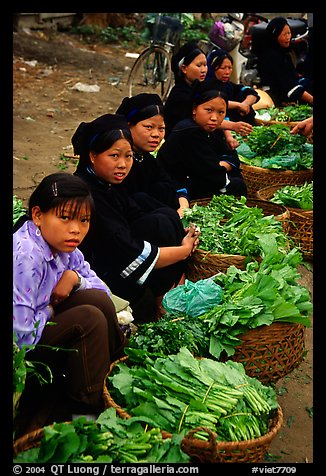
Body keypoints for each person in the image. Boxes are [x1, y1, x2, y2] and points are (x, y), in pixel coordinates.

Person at [13, 172, 128, 434]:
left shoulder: (66, 248)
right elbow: (20, 337)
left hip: (37, 328)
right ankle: (84, 414)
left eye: (84, 220)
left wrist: (74, 279)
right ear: (38, 215)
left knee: (95, 299)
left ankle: (110, 369)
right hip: (20, 354)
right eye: (65, 218)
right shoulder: (25, 256)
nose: (76, 229)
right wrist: (52, 308)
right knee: (88, 318)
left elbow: (103, 289)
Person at [72, 113, 200, 322]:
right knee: (160, 223)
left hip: (120, 255)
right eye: (114, 156)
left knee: (164, 215)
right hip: (100, 276)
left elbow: (135, 214)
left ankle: (171, 295)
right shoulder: (88, 195)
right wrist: (183, 251)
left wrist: (179, 232)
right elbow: (124, 249)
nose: (123, 164)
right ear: (93, 155)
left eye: (128, 156)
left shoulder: (109, 185)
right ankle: (165, 306)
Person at [157, 80, 247, 201]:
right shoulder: (191, 131)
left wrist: (221, 166)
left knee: (235, 179)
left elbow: (232, 155)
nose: (214, 118)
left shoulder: (208, 129)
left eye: (221, 112)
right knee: (237, 185)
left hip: (192, 180)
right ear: (194, 109)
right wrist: (224, 165)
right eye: (209, 110)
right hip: (175, 188)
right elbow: (216, 177)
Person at [116, 93, 189, 216]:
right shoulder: (119, 164)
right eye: (149, 127)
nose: (156, 134)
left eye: (161, 129)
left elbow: (172, 185)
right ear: (128, 126)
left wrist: (182, 203)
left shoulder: (146, 159)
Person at [255, 16, 313, 106]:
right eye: (284, 34)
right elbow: (288, 85)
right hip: (277, 95)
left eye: (289, 33)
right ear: (275, 36)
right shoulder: (271, 57)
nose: (288, 37)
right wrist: (312, 100)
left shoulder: (284, 53)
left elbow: (293, 78)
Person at [163, 41, 208, 137]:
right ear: (184, 68)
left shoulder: (197, 88)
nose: (204, 70)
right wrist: (232, 126)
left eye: (205, 65)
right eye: (199, 65)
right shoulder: (180, 95)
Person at [206, 48, 260, 126]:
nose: (227, 72)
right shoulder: (206, 86)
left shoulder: (229, 86)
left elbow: (251, 92)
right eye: (223, 68)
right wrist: (238, 105)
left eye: (230, 68)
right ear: (212, 68)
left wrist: (245, 104)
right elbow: (217, 102)